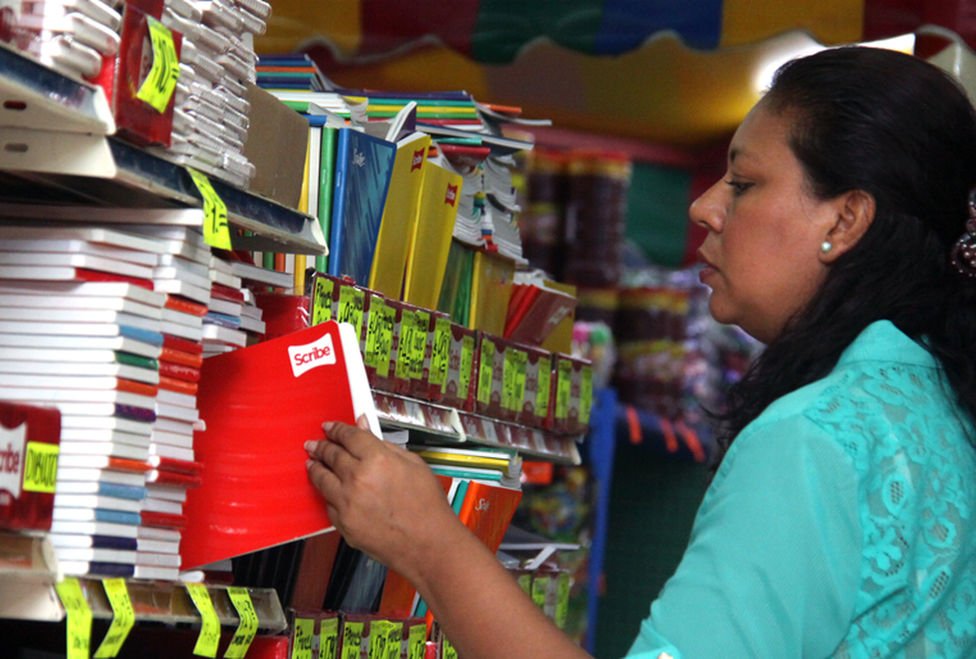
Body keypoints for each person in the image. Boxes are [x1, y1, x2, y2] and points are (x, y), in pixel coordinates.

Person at [305, 46, 976, 657]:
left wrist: (429, 542)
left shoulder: (814, 438)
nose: (706, 207)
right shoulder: (946, 419)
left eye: (744, 184)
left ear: (844, 219)